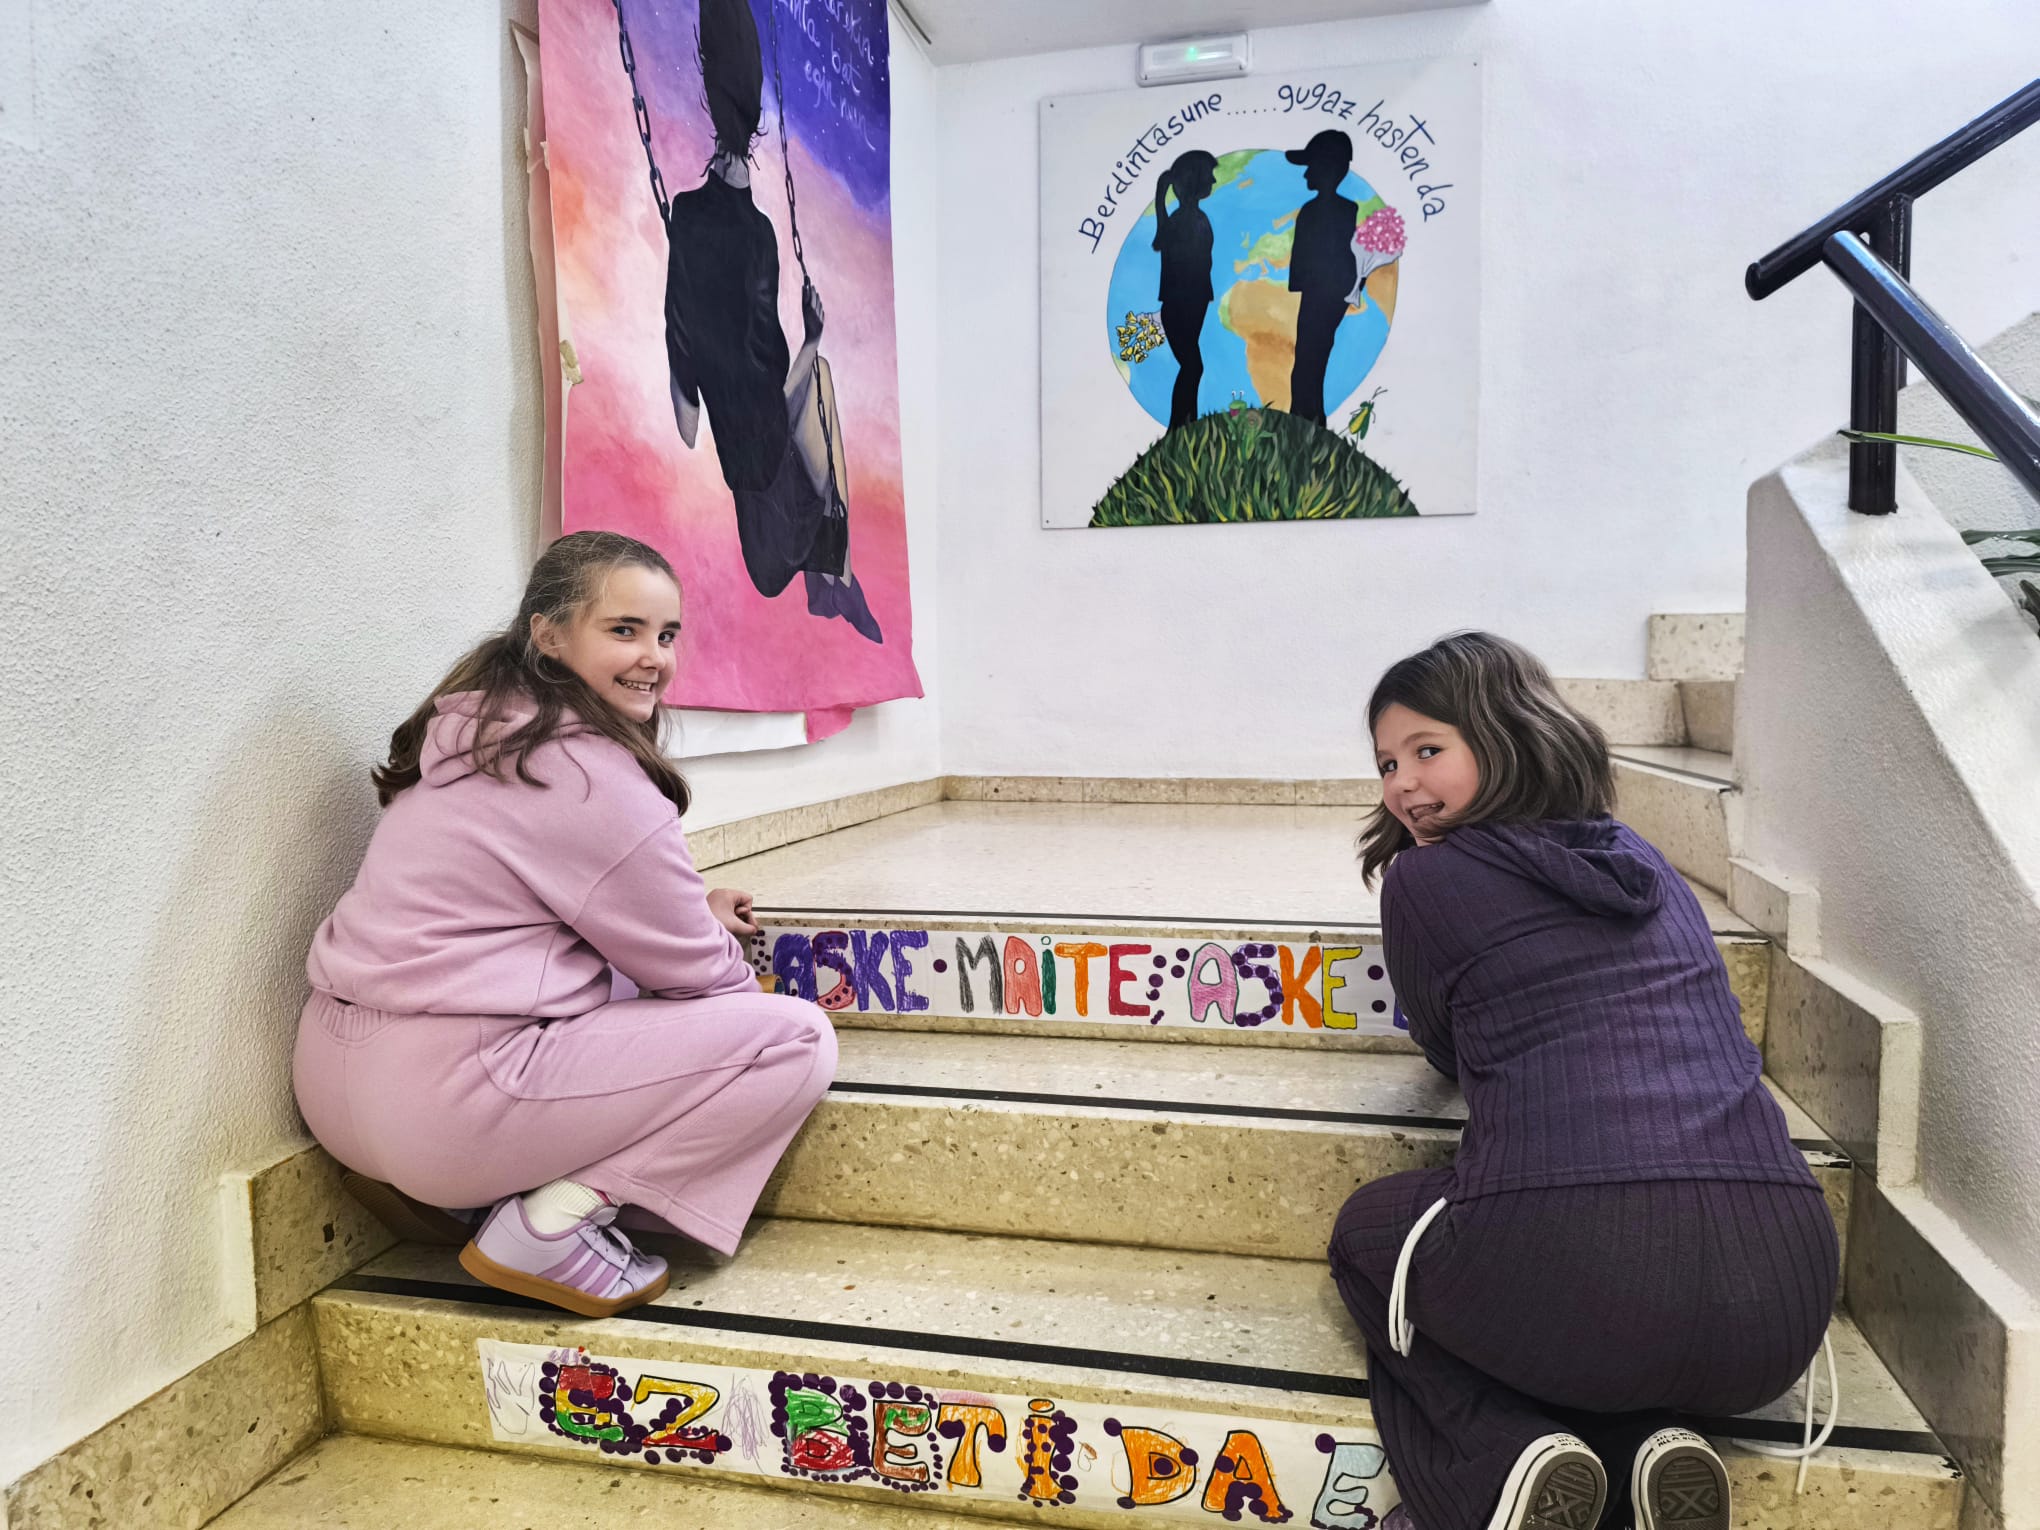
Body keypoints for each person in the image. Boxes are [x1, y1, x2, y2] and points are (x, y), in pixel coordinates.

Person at [1329, 632, 1837, 1530]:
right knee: (1594, 1315)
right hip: (1785, 1303)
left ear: (1505, 733)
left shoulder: (1424, 880)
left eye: (1427, 749)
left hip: (1579, 1275)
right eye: (1386, 764)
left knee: (1368, 1238)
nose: (1402, 784)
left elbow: (1448, 1052)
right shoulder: (1648, 863)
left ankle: (1502, 1467)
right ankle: (1647, 1450)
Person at [293, 531, 837, 1318]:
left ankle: (465, 1201)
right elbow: (700, 978)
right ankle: (552, 1224)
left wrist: (691, 911)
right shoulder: (588, 774)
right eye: (624, 630)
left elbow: (546, 910)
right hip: (446, 1107)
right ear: (548, 635)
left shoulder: (479, 736)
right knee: (792, 1040)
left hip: (333, 1086)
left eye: (667, 635)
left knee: (606, 983)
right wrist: (720, 953)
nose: (654, 658)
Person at [661, 0, 880, 643]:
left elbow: (685, 376)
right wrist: (811, 335)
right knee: (819, 377)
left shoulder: (689, 218)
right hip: (772, 515)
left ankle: (836, 577)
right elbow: (777, 397)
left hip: (754, 482)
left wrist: (690, 385)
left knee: (816, 383)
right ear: (754, 123)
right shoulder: (756, 234)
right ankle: (838, 577)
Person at [1286, 129, 1360, 426]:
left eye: (1311, 167)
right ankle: (1306, 419)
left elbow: (1347, 255)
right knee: (1308, 360)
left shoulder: (1320, 212)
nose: (1306, 174)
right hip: (1323, 294)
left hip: (1322, 296)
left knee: (1309, 360)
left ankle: (1306, 421)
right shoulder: (1334, 210)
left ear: (1328, 168)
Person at [1152, 150, 1218, 430]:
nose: (1213, 180)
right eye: (1209, 175)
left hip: (1191, 301)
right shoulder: (1187, 221)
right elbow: (1186, 263)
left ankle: (1186, 424)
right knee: (1193, 367)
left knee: (1192, 367)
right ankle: (1180, 426)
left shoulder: (1189, 219)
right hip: (1184, 303)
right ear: (1195, 181)